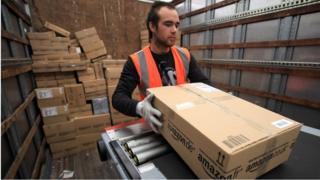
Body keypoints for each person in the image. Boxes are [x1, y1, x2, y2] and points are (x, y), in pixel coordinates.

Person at [112, 1, 211, 132]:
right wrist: (140, 108)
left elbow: (204, 83)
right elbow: (118, 97)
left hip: (184, 122)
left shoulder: (184, 55)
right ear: (152, 26)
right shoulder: (136, 60)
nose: (174, 30)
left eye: (176, 25)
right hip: (156, 126)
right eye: (168, 24)